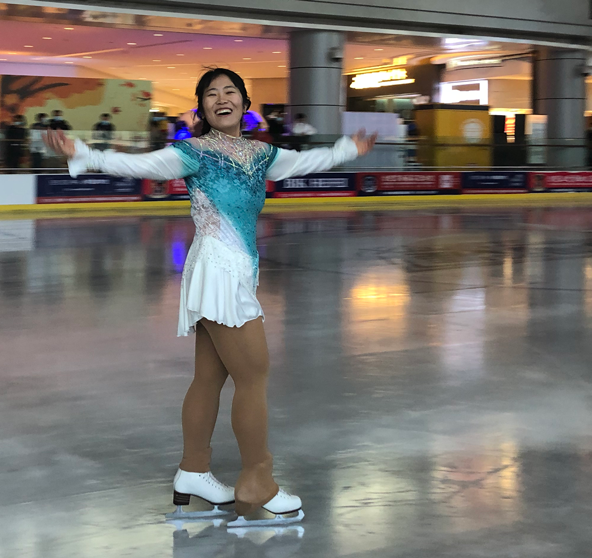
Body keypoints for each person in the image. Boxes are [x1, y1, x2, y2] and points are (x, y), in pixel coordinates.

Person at [46, 67, 375, 527]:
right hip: (218, 270)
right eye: (211, 94)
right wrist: (83, 152)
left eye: (230, 92)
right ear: (201, 107)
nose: (222, 99)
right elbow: (141, 166)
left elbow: (303, 162)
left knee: (209, 378)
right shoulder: (193, 152)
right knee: (254, 375)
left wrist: (347, 148)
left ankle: (193, 472)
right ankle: (257, 481)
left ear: (245, 101)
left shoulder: (261, 153)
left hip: (234, 269)